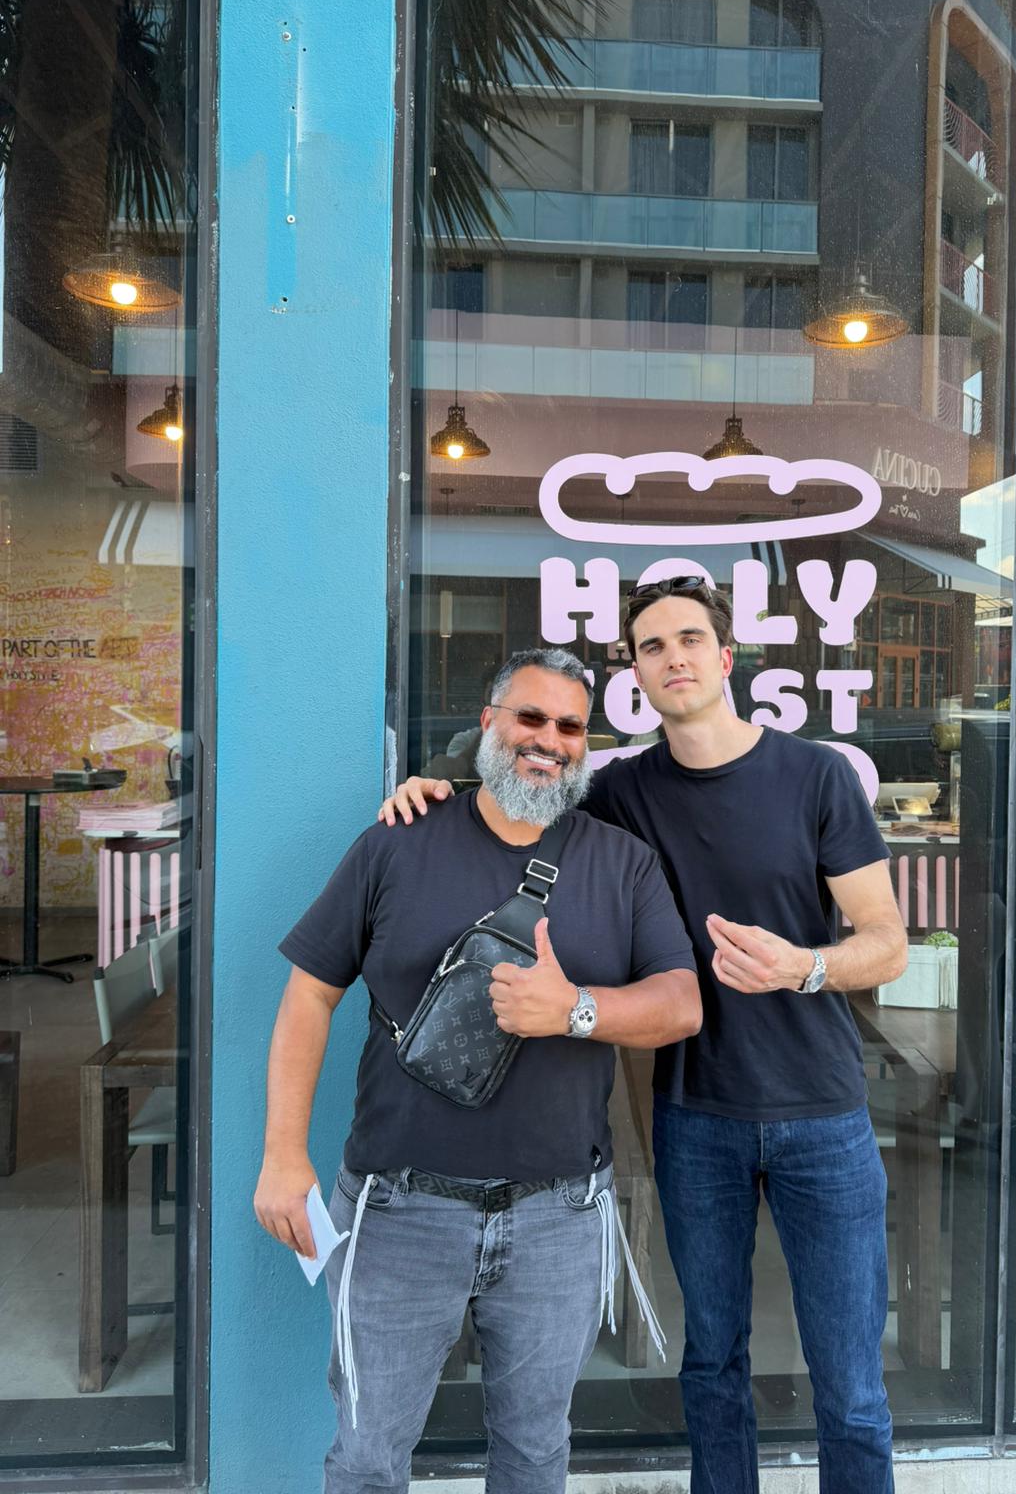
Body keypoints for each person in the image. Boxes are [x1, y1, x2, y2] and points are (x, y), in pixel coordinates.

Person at [382, 580, 908, 1494]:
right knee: (711, 1366)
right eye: (651, 645)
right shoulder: (621, 791)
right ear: (636, 672)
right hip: (693, 1114)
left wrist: (804, 967)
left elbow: (887, 943)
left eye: (690, 638)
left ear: (726, 656)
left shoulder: (815, 775)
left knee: (853, 1388)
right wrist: (436, 789)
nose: (673, 656)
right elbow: (518, 792)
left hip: (823, 1113)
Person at [257, 646, 701, 1494]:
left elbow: (682, 1003)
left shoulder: (621, 861)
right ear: (489, 723)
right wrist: (284, 1156)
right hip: (397, 1209)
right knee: (367, 1459)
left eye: (570, 726)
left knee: (535, 1456)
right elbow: (309, 996)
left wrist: (574, 1008)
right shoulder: (398, 841)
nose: (550, 740)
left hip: (559, 1219)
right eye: (530, 717)